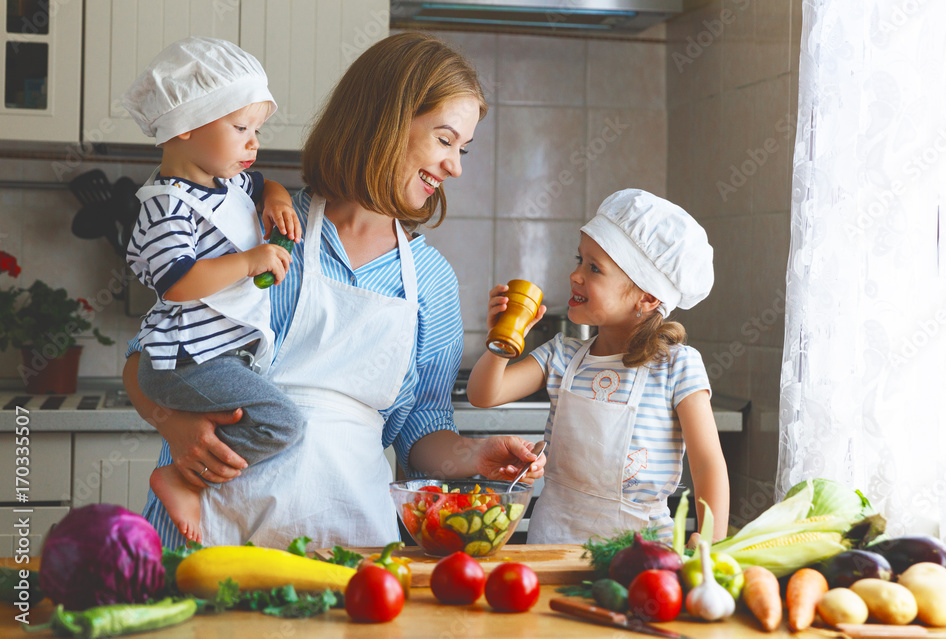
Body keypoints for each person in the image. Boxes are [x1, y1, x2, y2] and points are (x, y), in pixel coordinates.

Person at [122, 32, 546, 551]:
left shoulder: (432, 281)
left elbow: (422, 429)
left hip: (350, 547)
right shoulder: (261, 226)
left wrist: (472, 456)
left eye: (463, 148)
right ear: (385, 123)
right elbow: (148, 356)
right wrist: (175, 426)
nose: (455, 165)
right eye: (443, 139)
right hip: (204, 536)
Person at [121, 36, 305, 544]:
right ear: (183, 127)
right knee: (281, 422)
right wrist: (248, 261)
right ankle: (179, 478)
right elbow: (179, 283)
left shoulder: (228, 185)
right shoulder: (166, 206)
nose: (253, 142)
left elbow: (262, 181)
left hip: (213, 359)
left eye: (257, 130)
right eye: (240, 127)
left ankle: (188, 474)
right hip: (183, 363)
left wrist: (278, 195)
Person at [467, 189, 729, 546]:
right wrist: (502, 340)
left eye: (593, 268)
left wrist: (712, 542)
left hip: (642, 557)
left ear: (647, 298)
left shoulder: (676, 367)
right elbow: (484, 395)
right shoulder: (561, 354)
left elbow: (707, 464)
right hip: (553, 544)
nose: (575, 275)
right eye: (579, 260)